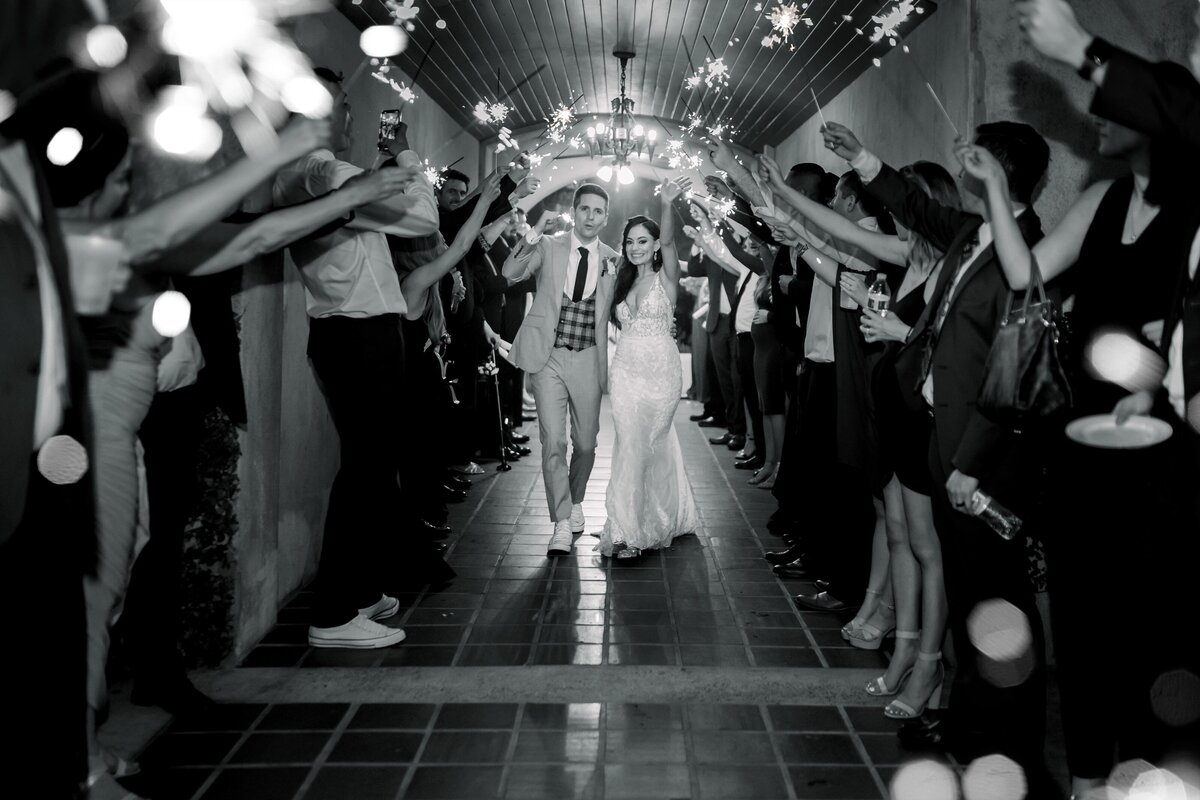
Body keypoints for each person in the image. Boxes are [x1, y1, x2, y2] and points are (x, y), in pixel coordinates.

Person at [825, 118, 1056, 792]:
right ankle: (970, 724)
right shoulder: (967, 233)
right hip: (942, 442)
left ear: (995, 167)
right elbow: (914, 204)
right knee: (965, 599)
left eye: (974, 152)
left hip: (985, 461)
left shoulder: (1032, 250)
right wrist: (865, 157)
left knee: (1001, 609)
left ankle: (1017, 752)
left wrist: (970, 465)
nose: (961, 158)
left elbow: (1010, 374)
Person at [272, 68, 441, 648]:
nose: (351, 115)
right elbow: (422, 220)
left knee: (370, 464)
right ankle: (333, 614)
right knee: (366, 469)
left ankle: (362, 588)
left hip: (349, 330)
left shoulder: (306, 173)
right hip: (358, 333)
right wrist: (408, 160)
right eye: (343, 104)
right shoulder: (325, 174)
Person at [502, 183, 620, 555]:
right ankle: (561, 521)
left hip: (588, 357)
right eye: (584, 209)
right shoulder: (549, 246)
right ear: (575, 211)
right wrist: (535, 229)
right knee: (553, 441)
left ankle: (576, 497)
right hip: (547, 356)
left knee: (586, 444)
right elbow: (510, 272)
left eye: (598, 211)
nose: (590, 216)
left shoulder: (613, 260)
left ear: (605, 217)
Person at [597, 180, 700, 558]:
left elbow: (672, 241)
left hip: (661, 373)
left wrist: (667, 202)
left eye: (643, 241)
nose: (635, 247)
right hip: (625, 370)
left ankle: (656, 516)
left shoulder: (666, 278)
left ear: (655, 245)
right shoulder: (621, 279)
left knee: (651, 446)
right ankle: (627, 532)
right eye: (630, 241)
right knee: (630, 447)